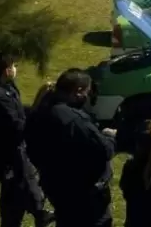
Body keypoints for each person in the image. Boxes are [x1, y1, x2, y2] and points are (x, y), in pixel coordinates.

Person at [25, 68, 117, 227]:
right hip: (84, 197)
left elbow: (32, 151)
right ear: (78, 91)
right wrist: (109, 136)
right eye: (87, 92)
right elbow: (104, 150)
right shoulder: (74, 120)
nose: (87, 97)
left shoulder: (39, 112)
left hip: (57, 189)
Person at [0, 54, 53, 227]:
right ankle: (38, 212)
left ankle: (37, 213)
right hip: (6, 151)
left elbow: (18, 113)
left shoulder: (6, 87)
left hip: (12, 150)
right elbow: (16, 125)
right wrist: (38, 106)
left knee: (17, 189)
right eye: (14, 65)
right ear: (6, 70)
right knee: (21, 182)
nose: (16, 69)